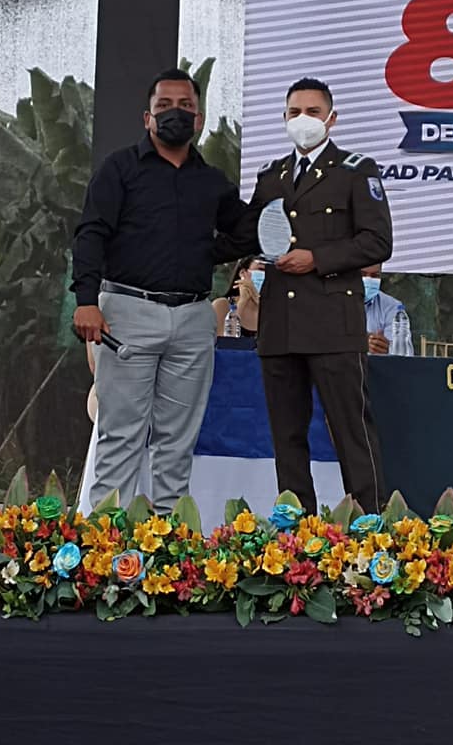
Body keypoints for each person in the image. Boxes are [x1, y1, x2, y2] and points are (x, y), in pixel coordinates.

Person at [72, 67, 250, 512]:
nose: (176, 113)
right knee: (121, 435)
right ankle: (104, 539)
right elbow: (91, 234)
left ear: (199, 118)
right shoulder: (119, 169)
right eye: (164, 105)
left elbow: (246, 232)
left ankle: (167, 540)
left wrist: (205, 252)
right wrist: (86, 302)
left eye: (185, 106)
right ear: (147, 117)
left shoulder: (212, 182)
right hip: (127, 312)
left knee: (177, 441)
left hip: (192, 318)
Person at [238, 76, 393, 515]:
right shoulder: (271, 175)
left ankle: (369, 525)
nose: (302, 120)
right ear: (283, 117)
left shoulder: (355, 170)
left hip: (332, 323)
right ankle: (296, 529)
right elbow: (251, 234)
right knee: (286, 437)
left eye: (312, 111)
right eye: (294, 112)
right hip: (280, 325)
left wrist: (317, 258)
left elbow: (378, 242)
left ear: (331, 118)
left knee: (351, 432)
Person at [362, 263, 414, 356]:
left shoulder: (392, 306)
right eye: (362, 274)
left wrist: (388, 349)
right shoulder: (335, 302)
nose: (368, 280)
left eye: (375, 276)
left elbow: (404, 355)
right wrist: (359, 342)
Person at [212, 256, 264, 338]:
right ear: (242, 273)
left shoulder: (276, 310)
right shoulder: (222, 305)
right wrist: (242, 302)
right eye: (261, 269)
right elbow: (225, 341)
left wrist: (259, 302)